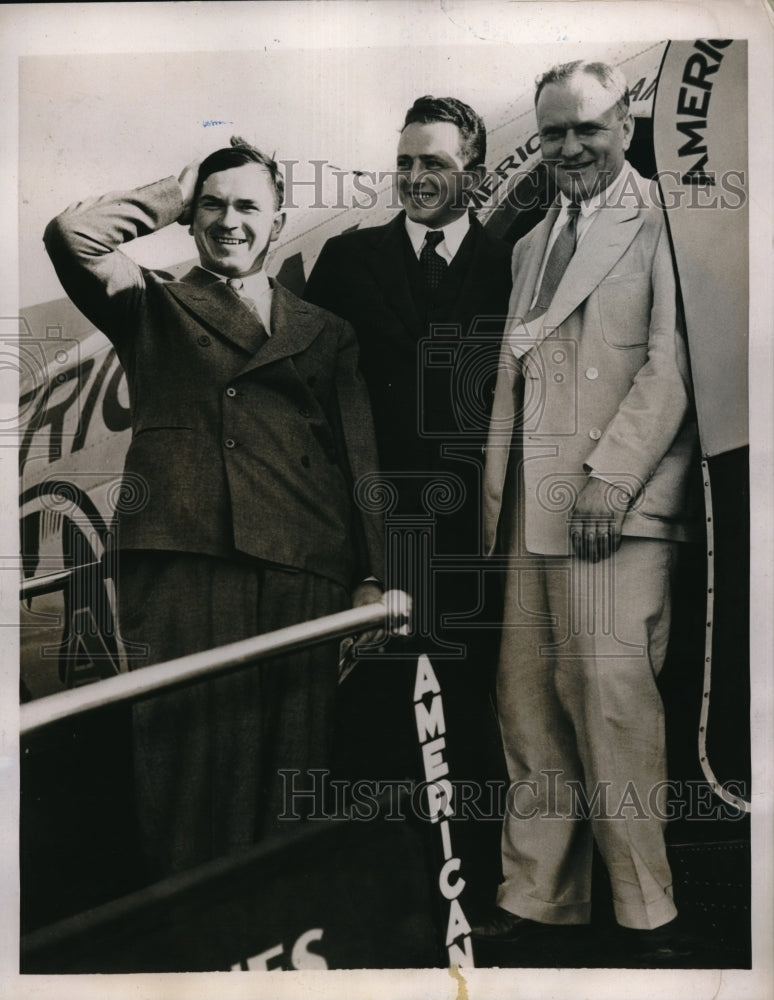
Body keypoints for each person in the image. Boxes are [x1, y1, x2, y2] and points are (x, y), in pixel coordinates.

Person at [44, 137, 384, 877]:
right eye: (213, 205)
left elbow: (360, 467)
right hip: (187, 558)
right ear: (191, 218)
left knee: (292, 780)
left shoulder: (326, 331)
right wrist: (177, 186)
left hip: (305, 566)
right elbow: (73, 235)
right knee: (186, 776)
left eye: (248, 207)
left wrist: (373, 575)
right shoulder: (150, 302)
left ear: (278, 218)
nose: (230, 222)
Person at [474, 62, 701, 957]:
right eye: (555, 132)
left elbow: (673, 361)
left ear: (626, 126)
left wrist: (614, 476)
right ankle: (539, 896)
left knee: (610, 699)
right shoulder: (529, 245)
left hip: (618, 503)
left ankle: (650, 912)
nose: (570, 147)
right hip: (532, 509)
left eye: (588, 129)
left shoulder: (669, 222)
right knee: (525, 704)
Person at [305, 96, 512, 915]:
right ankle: (379, 906)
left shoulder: (513, 263)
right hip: (378, 530)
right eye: (407, 163)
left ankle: (481, 891)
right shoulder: (346, 262)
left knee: (475, 713)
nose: (417, 178)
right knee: (373, 713)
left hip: (477, 538)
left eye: (436, 163)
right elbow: (313, 399)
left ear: (478, 171)